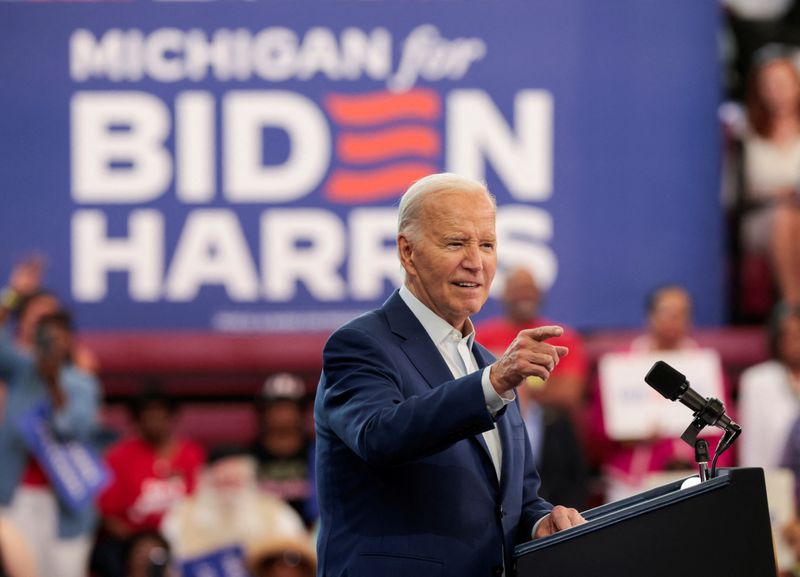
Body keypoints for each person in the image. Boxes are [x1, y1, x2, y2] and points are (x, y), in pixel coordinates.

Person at [314, 173, 585, 576]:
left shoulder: (489, 365)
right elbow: (380, 436)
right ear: (408, 252)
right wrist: (491, 384)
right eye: (456, 243)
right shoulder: (359, 344)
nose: (476, 262)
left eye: (487, 245)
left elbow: (518, 497)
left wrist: (539, 520)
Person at [476, 267, 589, 509]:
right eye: (517, 289)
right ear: (503, 294)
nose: (524, 295)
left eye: (530, 289)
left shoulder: (561, 336)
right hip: (494, 430)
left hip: (551, 440)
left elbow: (569, 394)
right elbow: (471, 388)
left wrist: (509, 378)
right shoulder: (480, 337)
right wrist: (530, 380)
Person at [0, 310, 100, 577]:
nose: (52, 344)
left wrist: (53, 380)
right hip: (16, 496)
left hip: (66, 502)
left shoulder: (82, 383)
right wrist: (13, 297)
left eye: (58, 337)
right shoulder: (21, 372)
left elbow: (70, 429)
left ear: (70, 340)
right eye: (45, 337)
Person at [94, 385, 205, 577]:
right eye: (147, 416)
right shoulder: (119, 456)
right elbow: (108, 516)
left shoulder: (192, 454)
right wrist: (141, 543)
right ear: (136, 420)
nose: (154, 422)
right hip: (131, 543)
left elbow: (201, 504)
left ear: (172, 417)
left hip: (185, 540)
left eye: (160, 415)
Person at [161, 447, 308, 564]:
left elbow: (296, 559)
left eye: (235, 480)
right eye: (222, 481)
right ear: (206, 481)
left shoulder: (277, 513)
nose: (228, 488)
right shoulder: (180, 515)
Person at [738, 48, 800, 308]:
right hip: (762, 215)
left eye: (783, 83)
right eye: (770, 85)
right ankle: (793, 308)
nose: (778, 91)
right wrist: (778, 194)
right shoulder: (746, 131)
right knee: (784, 218)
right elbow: (739, 190)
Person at [249, 373, 316, 526]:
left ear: (301, 412)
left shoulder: (318, 454)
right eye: (275, 408)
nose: (281, 414)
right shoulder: (249, 456)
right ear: (263, 413)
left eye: (288, 408)